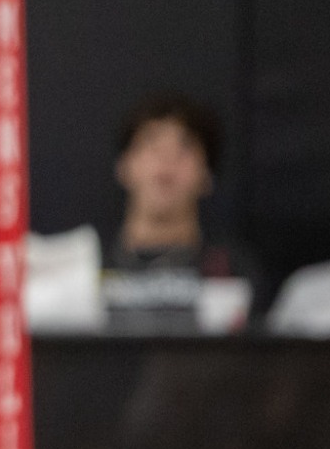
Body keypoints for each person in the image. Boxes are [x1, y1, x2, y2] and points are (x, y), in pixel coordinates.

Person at [99, 93, 261, 332]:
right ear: (124, 167)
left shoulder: (233, 271)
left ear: (207, 176)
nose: (167, 159)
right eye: (151, 142)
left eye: (184, 147)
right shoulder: (86, 268)